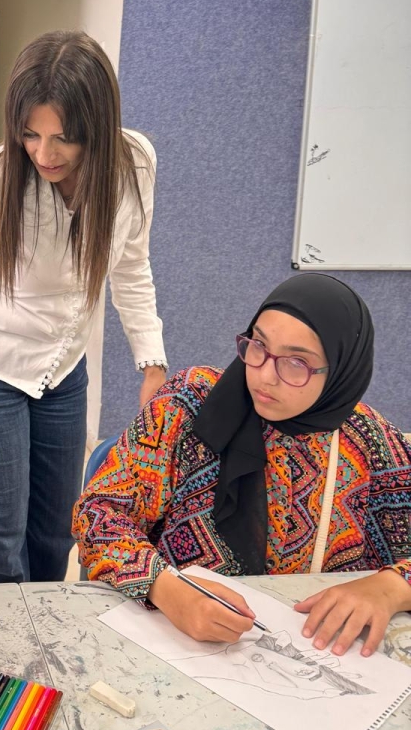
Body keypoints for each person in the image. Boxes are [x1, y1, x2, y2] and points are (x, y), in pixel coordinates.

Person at [0, 30, 166, 585]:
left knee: (55, 532)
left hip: (63, 367)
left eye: (64, 138)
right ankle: (2, 637)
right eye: (30, 134)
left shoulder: (135, 166)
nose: (45, 154)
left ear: (97, 126)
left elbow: (130, 266)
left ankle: (42, 627)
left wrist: (151, 363)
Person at [74, 273, 411, 656]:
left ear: (340, 372)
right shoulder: (187, 406)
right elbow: (96, 513)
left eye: (296, 362)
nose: (265, 376)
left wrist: (391, 588)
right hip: (174, 647)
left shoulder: (369, 441)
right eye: (258, 346)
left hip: (314, 657)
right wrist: (163, 587)